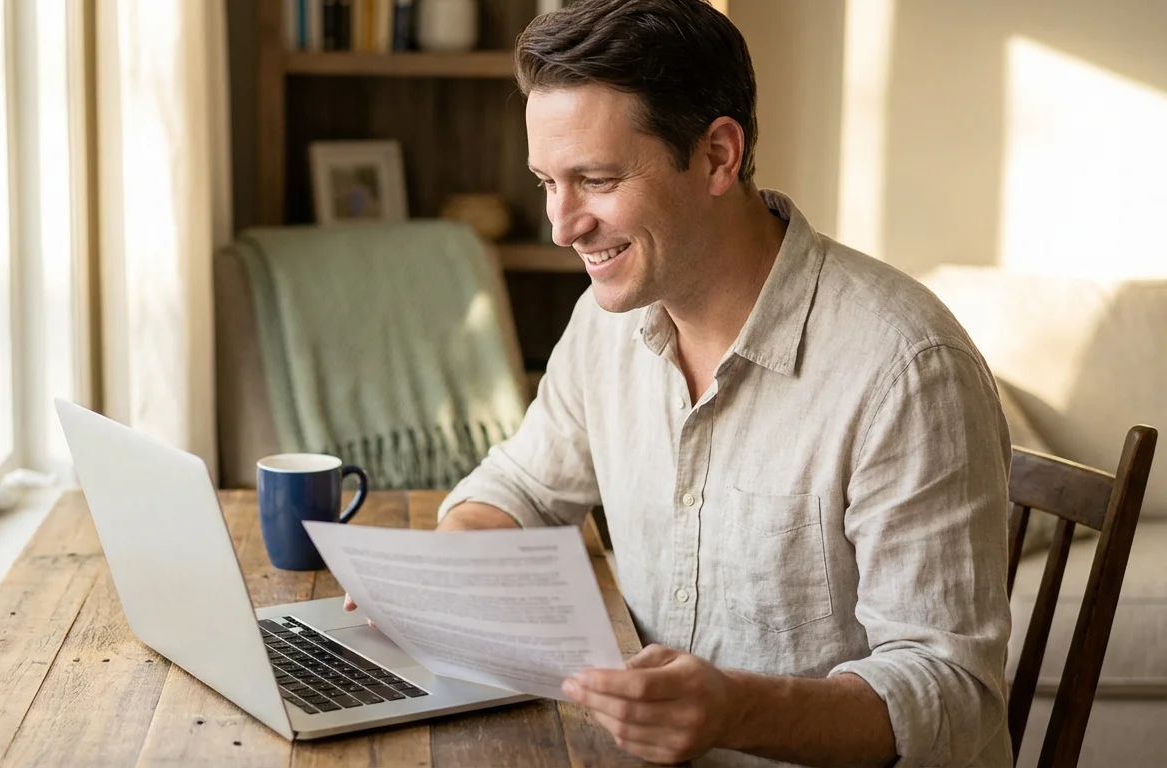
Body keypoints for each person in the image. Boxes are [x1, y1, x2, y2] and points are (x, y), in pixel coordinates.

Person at [346, 1, 1013, 764]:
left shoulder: (905, 371)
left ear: (718, 156)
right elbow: (523, 488)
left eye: (595, 181)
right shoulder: (607, 321)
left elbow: (953, 693)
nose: (562, 226)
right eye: (546, 183)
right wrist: (437, 578)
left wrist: (734, 711)